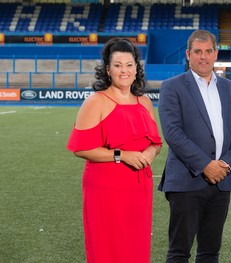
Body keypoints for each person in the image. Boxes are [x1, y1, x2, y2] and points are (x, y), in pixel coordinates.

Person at [66, 38, 162, 263]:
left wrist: (150, 153)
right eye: (118, 65)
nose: (124, 71)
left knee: (135, 248)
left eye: (129, 65)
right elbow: (81, 148)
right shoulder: (95, 102)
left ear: (137, 68)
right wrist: (121, 155)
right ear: (108, 69)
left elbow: (156, 142)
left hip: (139, 188)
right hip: (105, 189)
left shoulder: (145, 102)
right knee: (106, 248)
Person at [158, 30, 231, 263]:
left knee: (210, 252)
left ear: (216, 53)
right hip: (187, 181)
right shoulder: (172, 87)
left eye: (209, 51)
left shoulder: (230, 88)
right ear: (188, 55)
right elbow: (173, 133)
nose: (204, 57)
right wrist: (205, 165)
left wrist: (225, 165)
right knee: (179, 252)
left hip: (221, 182)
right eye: (198, 52)